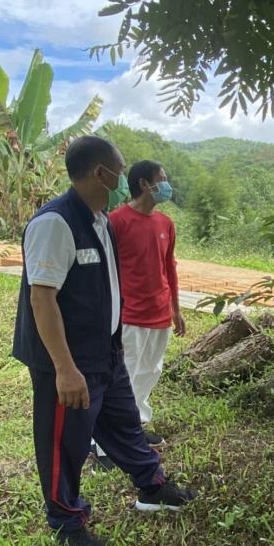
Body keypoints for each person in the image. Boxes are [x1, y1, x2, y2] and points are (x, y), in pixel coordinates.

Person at [12, 136, 196, 546]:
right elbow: (42, 299)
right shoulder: (55, 223)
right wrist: (65, 369)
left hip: (106, 352)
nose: (123, 176)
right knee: (65, 444)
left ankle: (151, 487)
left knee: (125, 424)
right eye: (120, 169)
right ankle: (66, 521)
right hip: (70, 362)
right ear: (101, 173)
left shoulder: (100, 221)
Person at [110, 160, 185, 444]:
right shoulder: (117, 221)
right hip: (130, 315)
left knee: (150, 371)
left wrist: (176, 309)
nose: (166, 185)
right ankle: (112, 436)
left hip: (160, 313)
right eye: (161, 179)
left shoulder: (165, 223)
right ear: (144, 184)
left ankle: (136, 424)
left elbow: (169, 268)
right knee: (125, 374)